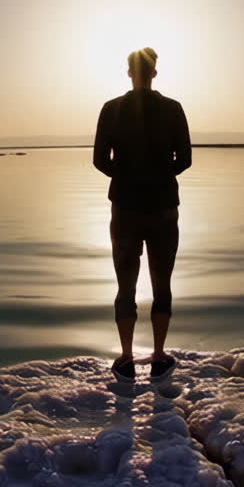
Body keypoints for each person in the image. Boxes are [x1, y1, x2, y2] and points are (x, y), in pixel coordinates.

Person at [92, 47, 192, 383]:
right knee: (162, 283)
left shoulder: (111, 109)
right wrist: (161, 173)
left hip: (124, 207)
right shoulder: (173, 109)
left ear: (129, 73)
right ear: (154, 73)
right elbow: (186, 159)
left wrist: (125, 175)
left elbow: (99, 160)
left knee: (125, 284)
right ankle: (160, 356)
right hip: (164, 205)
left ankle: (126, 358)